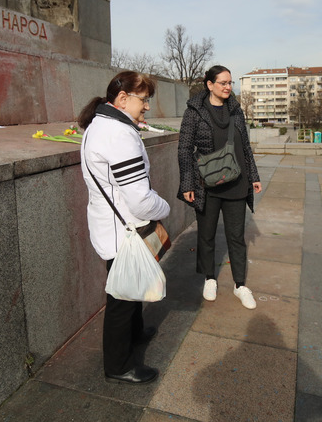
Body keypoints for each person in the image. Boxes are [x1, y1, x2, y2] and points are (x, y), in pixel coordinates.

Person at [79, 71, 171, 385]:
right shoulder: (118, 134)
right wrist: (165, 208)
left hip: (111, 225)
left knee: (129, 285)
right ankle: (118, 365)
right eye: (143, 99)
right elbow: (140, 200)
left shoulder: (100, 124)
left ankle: (135, 334)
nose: (147, 106)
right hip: (123, 230)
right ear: (122, 98)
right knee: (121, 297)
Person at [178, 65, 262, 309]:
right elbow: (184, 149)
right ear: (210, 84)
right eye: (223, 83)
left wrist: (254, 175)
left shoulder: (235, 110)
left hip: (237, 183)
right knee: (207, 235)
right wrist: (187, 182)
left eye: (230, 82)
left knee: (236, 237)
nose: (228, 87)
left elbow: (245, 146)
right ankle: (209, 278)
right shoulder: (194, 111)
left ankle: (240, 285)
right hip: (207, 185)